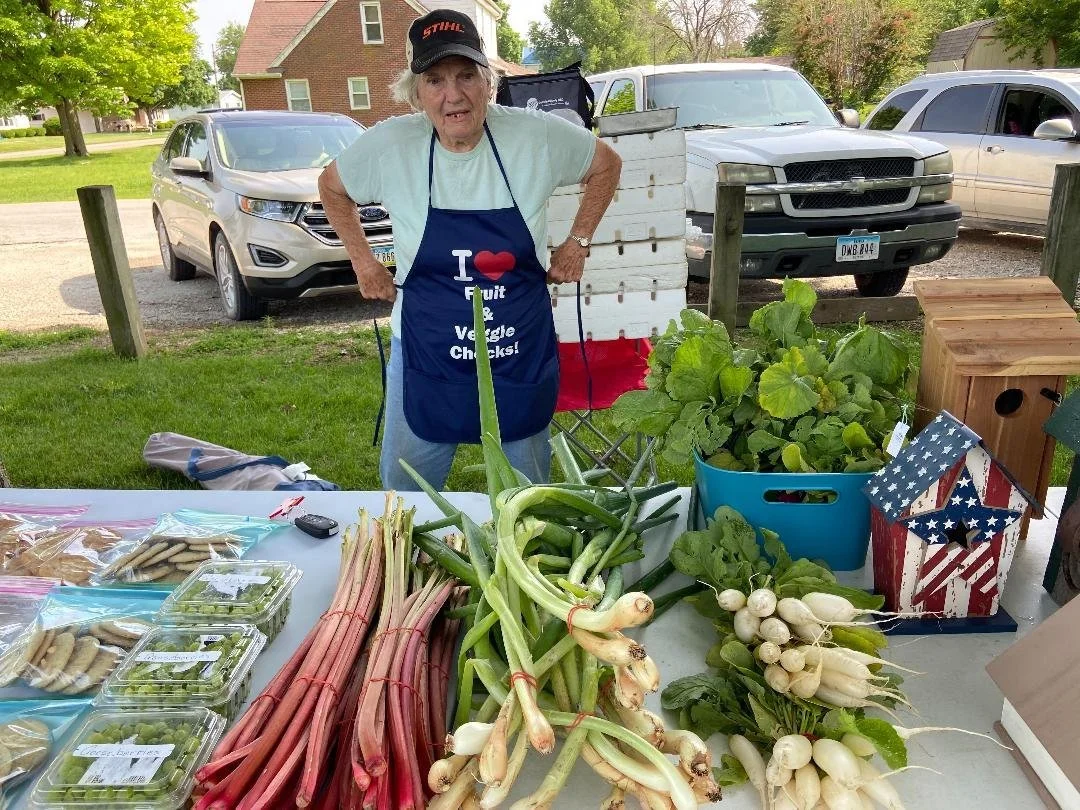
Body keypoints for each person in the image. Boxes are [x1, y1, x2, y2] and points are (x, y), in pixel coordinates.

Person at [318, 9, 621, 492]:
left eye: (465, 76)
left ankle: (522, 562)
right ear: (415, 93)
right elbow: (332, 188)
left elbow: (605, 164)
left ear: (488, 81)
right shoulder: (390, 145)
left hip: (515, 346)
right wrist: (362, 259)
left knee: (528, 496)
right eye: (435, 80)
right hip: (426, 346)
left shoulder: (535, 136)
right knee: (406, 489)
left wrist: (578, 241)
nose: (452, 95)